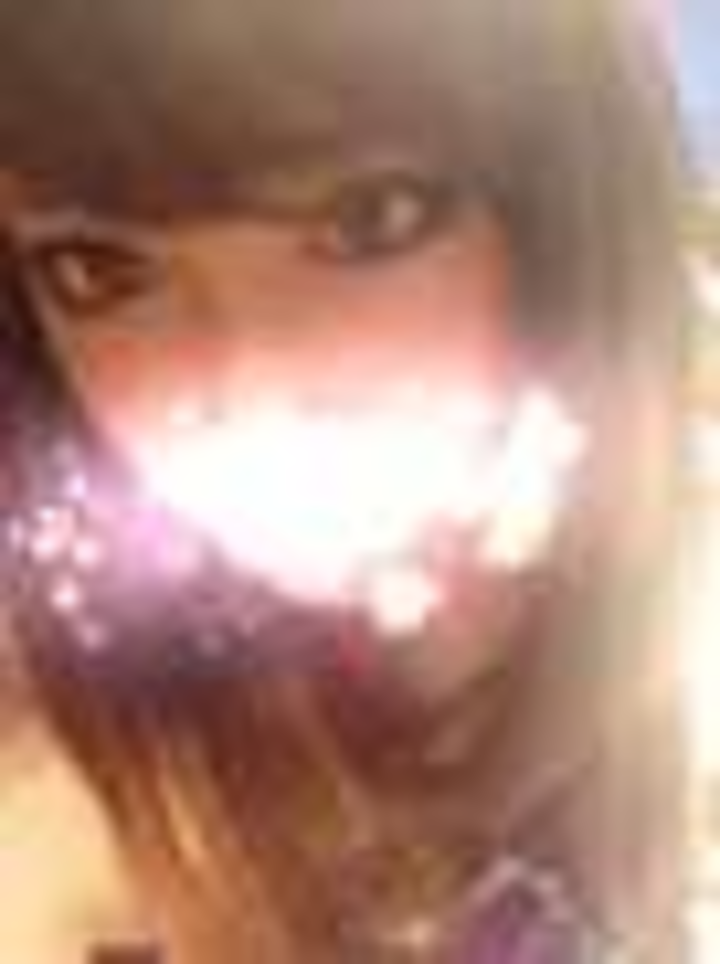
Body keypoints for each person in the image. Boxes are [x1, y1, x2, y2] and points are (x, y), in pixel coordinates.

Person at [0, 1, 686, 961]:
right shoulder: (49, 758)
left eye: (372, 218)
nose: (252, 383)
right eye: (100, 269)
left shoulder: (671, 629)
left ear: (564, 216)